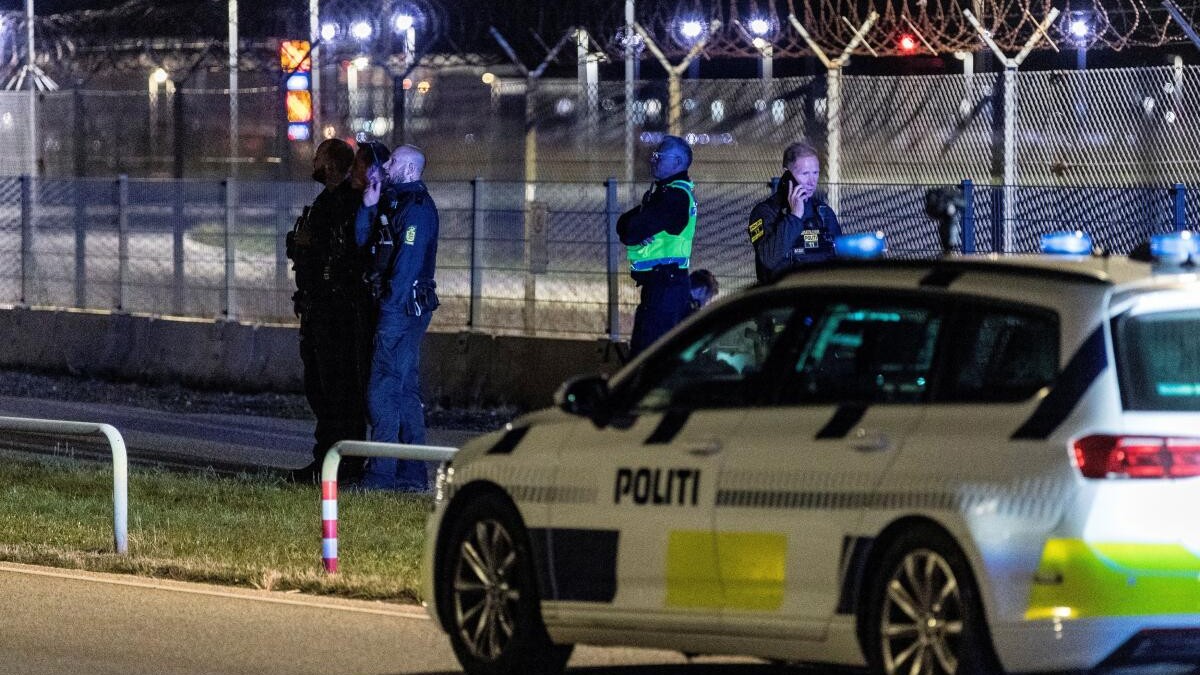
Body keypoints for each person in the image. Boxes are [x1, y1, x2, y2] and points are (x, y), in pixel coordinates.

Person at [355, 144, 440, 491]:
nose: (386, 165)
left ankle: (381, 474)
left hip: (401, 310)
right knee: (403, 390)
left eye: (393, 161)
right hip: (397, 307)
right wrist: (368, 206)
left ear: (409, 169)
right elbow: (364, 242)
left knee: (382, 389)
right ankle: (411, 475)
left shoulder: (416, 209)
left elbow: (406, 268)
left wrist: (388, 312)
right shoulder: (393, 202)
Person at [286, 138, 371, 484]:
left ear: (333, 164)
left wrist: (313, 244)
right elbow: (304, 245)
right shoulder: (326, 201)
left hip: (337, 313)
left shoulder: (348, 203)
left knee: (340, 391)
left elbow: (345, 254)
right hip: (317, 309)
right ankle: (326, 459)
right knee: (320, 390)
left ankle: (343, 463)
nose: (314, 164)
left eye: (320, 158)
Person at [616, 135, 698, 357]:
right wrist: (634, 227)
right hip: (664, 285)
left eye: (659, 156)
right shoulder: (667, 193)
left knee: (647, 356)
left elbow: (631, 229)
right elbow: (624, 223)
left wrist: (635, 228)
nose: (653, 160)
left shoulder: (674, 197)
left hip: (665, 288)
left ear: (677, 162)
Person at [747, 141, 841, 282]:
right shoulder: (764, 212)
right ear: (787, 175)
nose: (812, 181)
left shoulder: (822, 212)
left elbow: (840, 258)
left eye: (815, 173)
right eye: (805, 173)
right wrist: (794, 217)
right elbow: (768, 258)